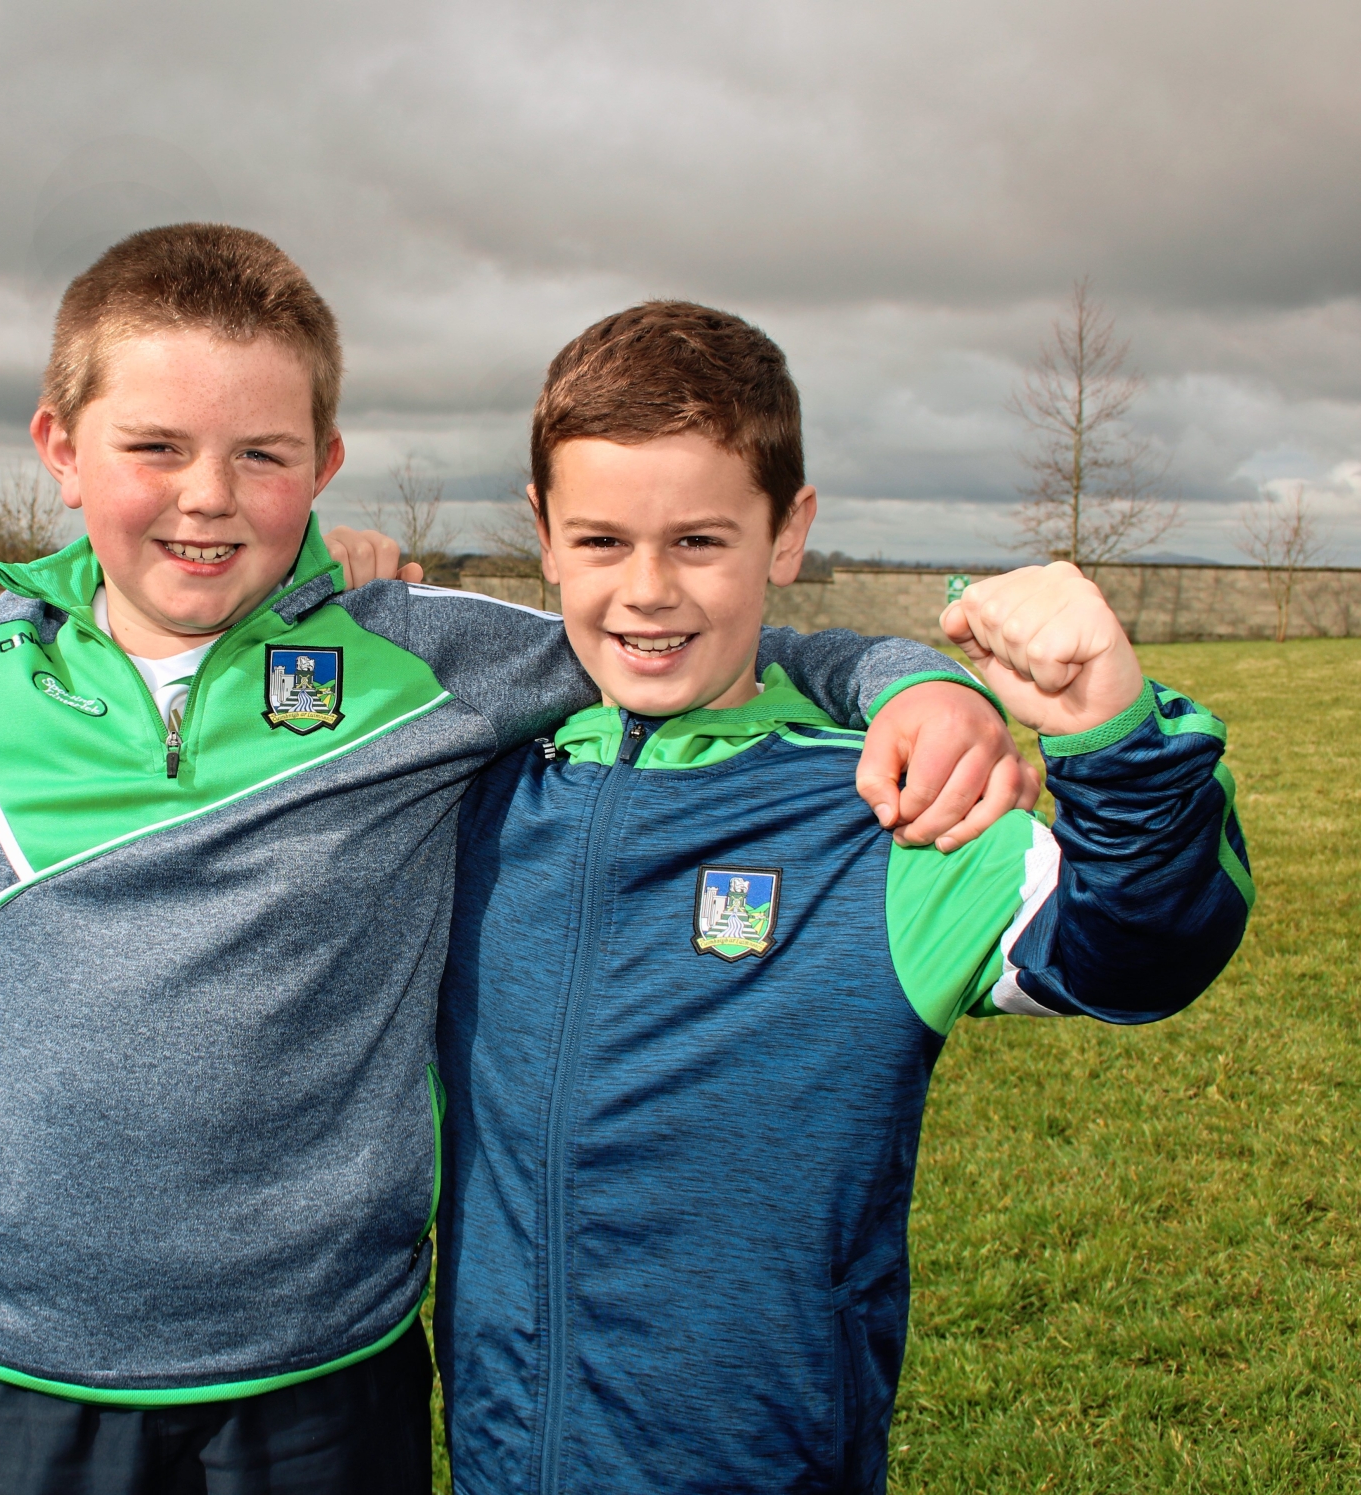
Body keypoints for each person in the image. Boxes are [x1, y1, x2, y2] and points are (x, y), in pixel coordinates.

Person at [0, 230, 1030, 1495]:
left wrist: (910, 679)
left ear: (324, 462)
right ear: (59, 448)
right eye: (155, 445)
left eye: (261, 454)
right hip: (20, 1368)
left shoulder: (424, 659)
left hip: (328, 1376)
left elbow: (680, 623)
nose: (208, 495)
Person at [434, 300, 1253, 1494]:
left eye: (700, 541)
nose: (648, 590)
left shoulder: (886, 807)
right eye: (602, 540)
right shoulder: (479, 788)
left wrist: (1113, 739)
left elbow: (1142, 950)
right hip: (499, 1454)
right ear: (544, 535)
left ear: (789, 533)